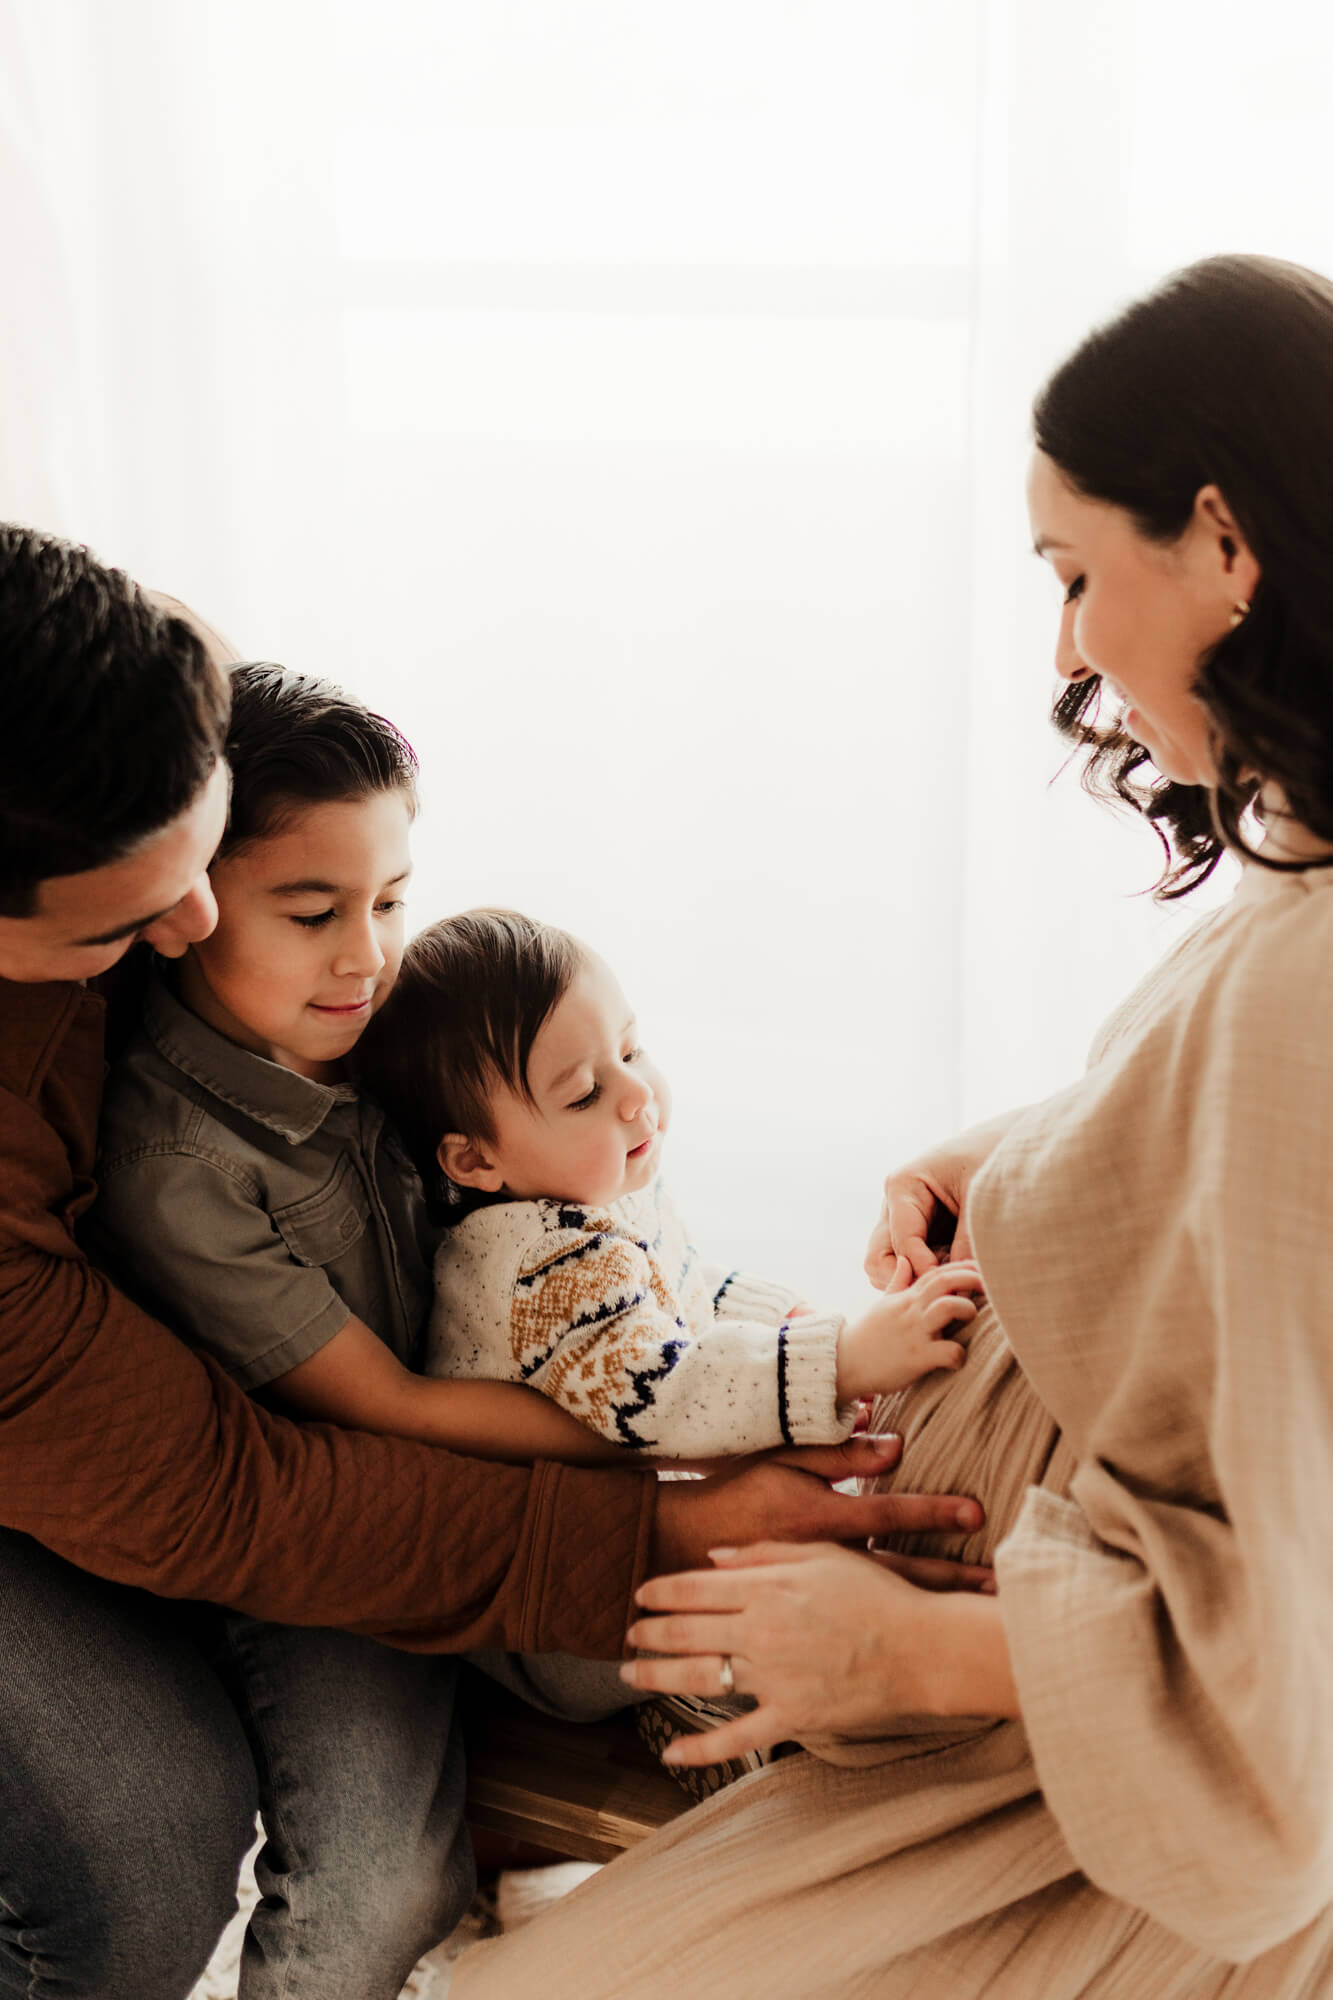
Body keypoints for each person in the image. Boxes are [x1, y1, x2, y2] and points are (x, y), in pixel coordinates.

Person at [447, 253, 1333, 1999]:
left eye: (1077, 574)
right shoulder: (1305, 883)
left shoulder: (1305, 985)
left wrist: (909, 1656)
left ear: (1224, 544)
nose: (1069, 643)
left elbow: (1272, 1656)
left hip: (1017, 1694)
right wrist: (1017, 1158)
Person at [0, 525, 987, 2000]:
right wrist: (664, 1501)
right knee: (146, 1857)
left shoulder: (148, 722)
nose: (189, 930)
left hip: (243, 1453)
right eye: (133, 919)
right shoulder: (168, 1169)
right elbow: (242, 1490)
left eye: (205, 858)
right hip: (205, 1474)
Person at [357, 906, 984, 1456]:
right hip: (562, 1528)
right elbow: (668, 1394)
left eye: (630, 1052)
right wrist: (842, 1363)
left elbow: (665, 1283)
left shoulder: (595, 1189)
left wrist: (777, 1314)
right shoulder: (542, 1265)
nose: (636, 1095)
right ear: (474, 1163)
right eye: (584, 1095)